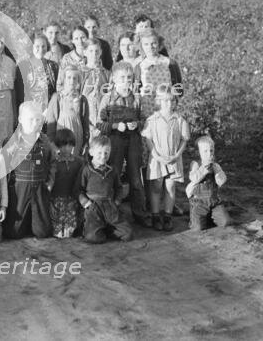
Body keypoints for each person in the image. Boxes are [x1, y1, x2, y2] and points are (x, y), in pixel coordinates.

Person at [97, 62, 150, 227]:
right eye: (122, 78)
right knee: (115, 174)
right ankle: (112, 213)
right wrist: (114, 126)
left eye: (129, 78)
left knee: (135, 178)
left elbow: (144, 120)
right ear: (113, 79)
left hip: (133, 141)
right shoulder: (108, 98)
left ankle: (140, 214)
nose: (126, 81)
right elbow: (99, 123)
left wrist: (138, 124)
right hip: (115, 140)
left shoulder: (137, 99)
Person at [3, 101, 54, 239]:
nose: (35, 123)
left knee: (43, 233)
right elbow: (5, 168)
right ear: (20, 119)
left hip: (39, 187)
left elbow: (52, 163)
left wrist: (50, 182)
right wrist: (9, 188)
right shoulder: (11, 141)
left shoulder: (45, 141)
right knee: (14, 233)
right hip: (20, 188)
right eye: (30, 119)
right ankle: (23, 223)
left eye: (38, 119)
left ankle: (35, 223)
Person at [142, 87, 190, 231]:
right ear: (159, 101)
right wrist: (156, 155)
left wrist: (176, 155)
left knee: (170, 187)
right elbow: (148, 140)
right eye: (165, 100)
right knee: (156, 187)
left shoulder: (179, 120)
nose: (169, 103)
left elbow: (184, 140)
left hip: (173, 159)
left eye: (171, 100)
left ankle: (168, 216)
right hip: (157, 159)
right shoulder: (152, 120)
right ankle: (156, 215)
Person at [79, 136, 133, 244]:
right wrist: (87, 204)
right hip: (94, 207)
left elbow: (119, 188)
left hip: (110, 206)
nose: (103, 156)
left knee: (128, 234)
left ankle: (106, 228)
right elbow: (79, 190)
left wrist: (117, 202)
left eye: (106, 153)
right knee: (93, 238)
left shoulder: (112, 170)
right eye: (99, 153)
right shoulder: (86, 170)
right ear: (91, 152)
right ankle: (94, 228)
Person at [134, 28, 183, 121]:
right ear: (141, 46)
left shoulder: (170, 63)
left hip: (167, 109)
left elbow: (179, 89)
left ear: (159, 43)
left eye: (153, 43)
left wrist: (172, 101)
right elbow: (136, 92)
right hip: (147, 111)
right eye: (146, 44)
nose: (150, 47)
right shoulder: (139, 67)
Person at [186, 136, 232, 231]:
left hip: (214, 201)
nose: (209, 154)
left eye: (211, 150)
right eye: (205, 151)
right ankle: (195, 219)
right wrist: (203, 169)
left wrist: (217, 172)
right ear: (198, 153)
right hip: (199, 202)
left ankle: (210, 217)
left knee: (226, 222)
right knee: (197, 228)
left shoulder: (216, 165)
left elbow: (222, 181)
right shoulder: (196, 164)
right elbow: (193, 178)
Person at [46, 66, 90, 156]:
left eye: (75, 78)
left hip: (77, 136)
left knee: (75, 162)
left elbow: (85, 123)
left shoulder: (82, 99)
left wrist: (86, 141)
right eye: (69, 77)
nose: (72, 81)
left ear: (78, 80)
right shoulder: (57, 98)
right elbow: (51, 122)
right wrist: (52, 143)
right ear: (64, 79)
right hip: (61, 136)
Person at [49, 129, 84, 238]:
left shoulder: (79, 162)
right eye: (63, 145)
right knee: (58, 233)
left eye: (70, 145)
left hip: (73, 201)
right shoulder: (54, 162)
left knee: (70, 233)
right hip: (56, 201)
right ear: (58, 145)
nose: (67, 149)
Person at [81, 38, 109, 141]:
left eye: (97, 51)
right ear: (85, 52)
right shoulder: (80, 72)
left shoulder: (106, 73)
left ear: (101, 52)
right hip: (85, 116)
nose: (94, 54)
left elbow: (109, 98)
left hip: (101, 118)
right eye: (91, 51)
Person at [20, 33, 58, 109]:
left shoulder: (53, 66)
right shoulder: (23, 66)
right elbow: (20, 93)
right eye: (37, 46)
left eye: (43, 46)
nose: (41, 49)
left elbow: (56, 90)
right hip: (30, 111)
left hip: (49, 111)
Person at [57, 26, 89, 92]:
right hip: (71, 96)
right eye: (76, 38)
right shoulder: (67, 58)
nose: (80, 41)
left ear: (87, 38)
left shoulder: (93, 54)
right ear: (72, 41)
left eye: (83, 37)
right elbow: (60, 84)